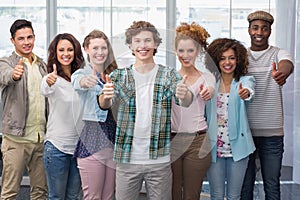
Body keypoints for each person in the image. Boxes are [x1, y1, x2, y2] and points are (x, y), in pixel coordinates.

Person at [98, 21, 193, 200]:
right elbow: (104, 104)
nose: (143, 46)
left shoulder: (169, 75)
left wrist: (184, 93)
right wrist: (106, 96)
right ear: (130, 45)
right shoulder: (119, 75)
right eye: (137, 41)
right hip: (127, 159)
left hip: (159, 160)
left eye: (148, 40)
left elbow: (186, 100)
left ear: (156, 44)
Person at [240, 10, 294, 200]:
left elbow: (288, 64)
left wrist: (282, 73)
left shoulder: (278, 53)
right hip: (245, 133)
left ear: (270, 31)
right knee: (244, 186)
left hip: (272, 134)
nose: (259, 32)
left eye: (264, 28)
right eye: (255, 28)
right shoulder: (242, 56)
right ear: (249, 30)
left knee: (272, 185)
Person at [0, 19, 48, 200]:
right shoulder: (5, 63)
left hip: (41, 139)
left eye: (29, 37)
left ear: (34, 37)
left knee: (40, 193)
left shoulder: (42, 65)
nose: (26, 42)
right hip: (16, 140)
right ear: (13, 41)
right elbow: (5, 76)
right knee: (10, 193)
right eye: (21, 38)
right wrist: (14, 74)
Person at [205, 38, 256, 200]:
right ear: (216, 60)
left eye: (232, 58)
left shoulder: (244, 81)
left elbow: (249, 91)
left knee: (234, 196)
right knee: (216, 195)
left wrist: (246, 93)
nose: (227, 62)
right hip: (214, 149)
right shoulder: (210, 84)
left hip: (239, 148)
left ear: (238, 60)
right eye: (222, 58)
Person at [71, 30, 118, 200]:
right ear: (86, 49)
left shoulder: (113, 75)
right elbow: (78, 83)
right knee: (93, 197)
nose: (100, 52)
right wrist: (86, 82)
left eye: (103, 48)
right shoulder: (82, 73)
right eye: (95, 48)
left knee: (108, 196)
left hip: (112, 139)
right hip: (92, 138)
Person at [171, 22, 215, 200]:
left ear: (198, 51)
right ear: (176, 51)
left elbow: (210, 89)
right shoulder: (170, 76)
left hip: (198, 141)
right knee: (173, 191)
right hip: (172, 139)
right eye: (181, 51)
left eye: (190, 51)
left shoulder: (206, 77)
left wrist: (208, 91)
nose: (185, 55)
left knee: (191, 194)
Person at [40, 33, 84, 200]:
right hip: (57, 147)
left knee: (73, 196)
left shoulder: (82, 78)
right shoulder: (51, 79)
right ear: (55, 53)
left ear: (76, 52)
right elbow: (44, 89)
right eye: (61, 50)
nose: (66, 53)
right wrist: (48, 81)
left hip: (79, 148)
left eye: (70, 49)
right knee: (56, 197)